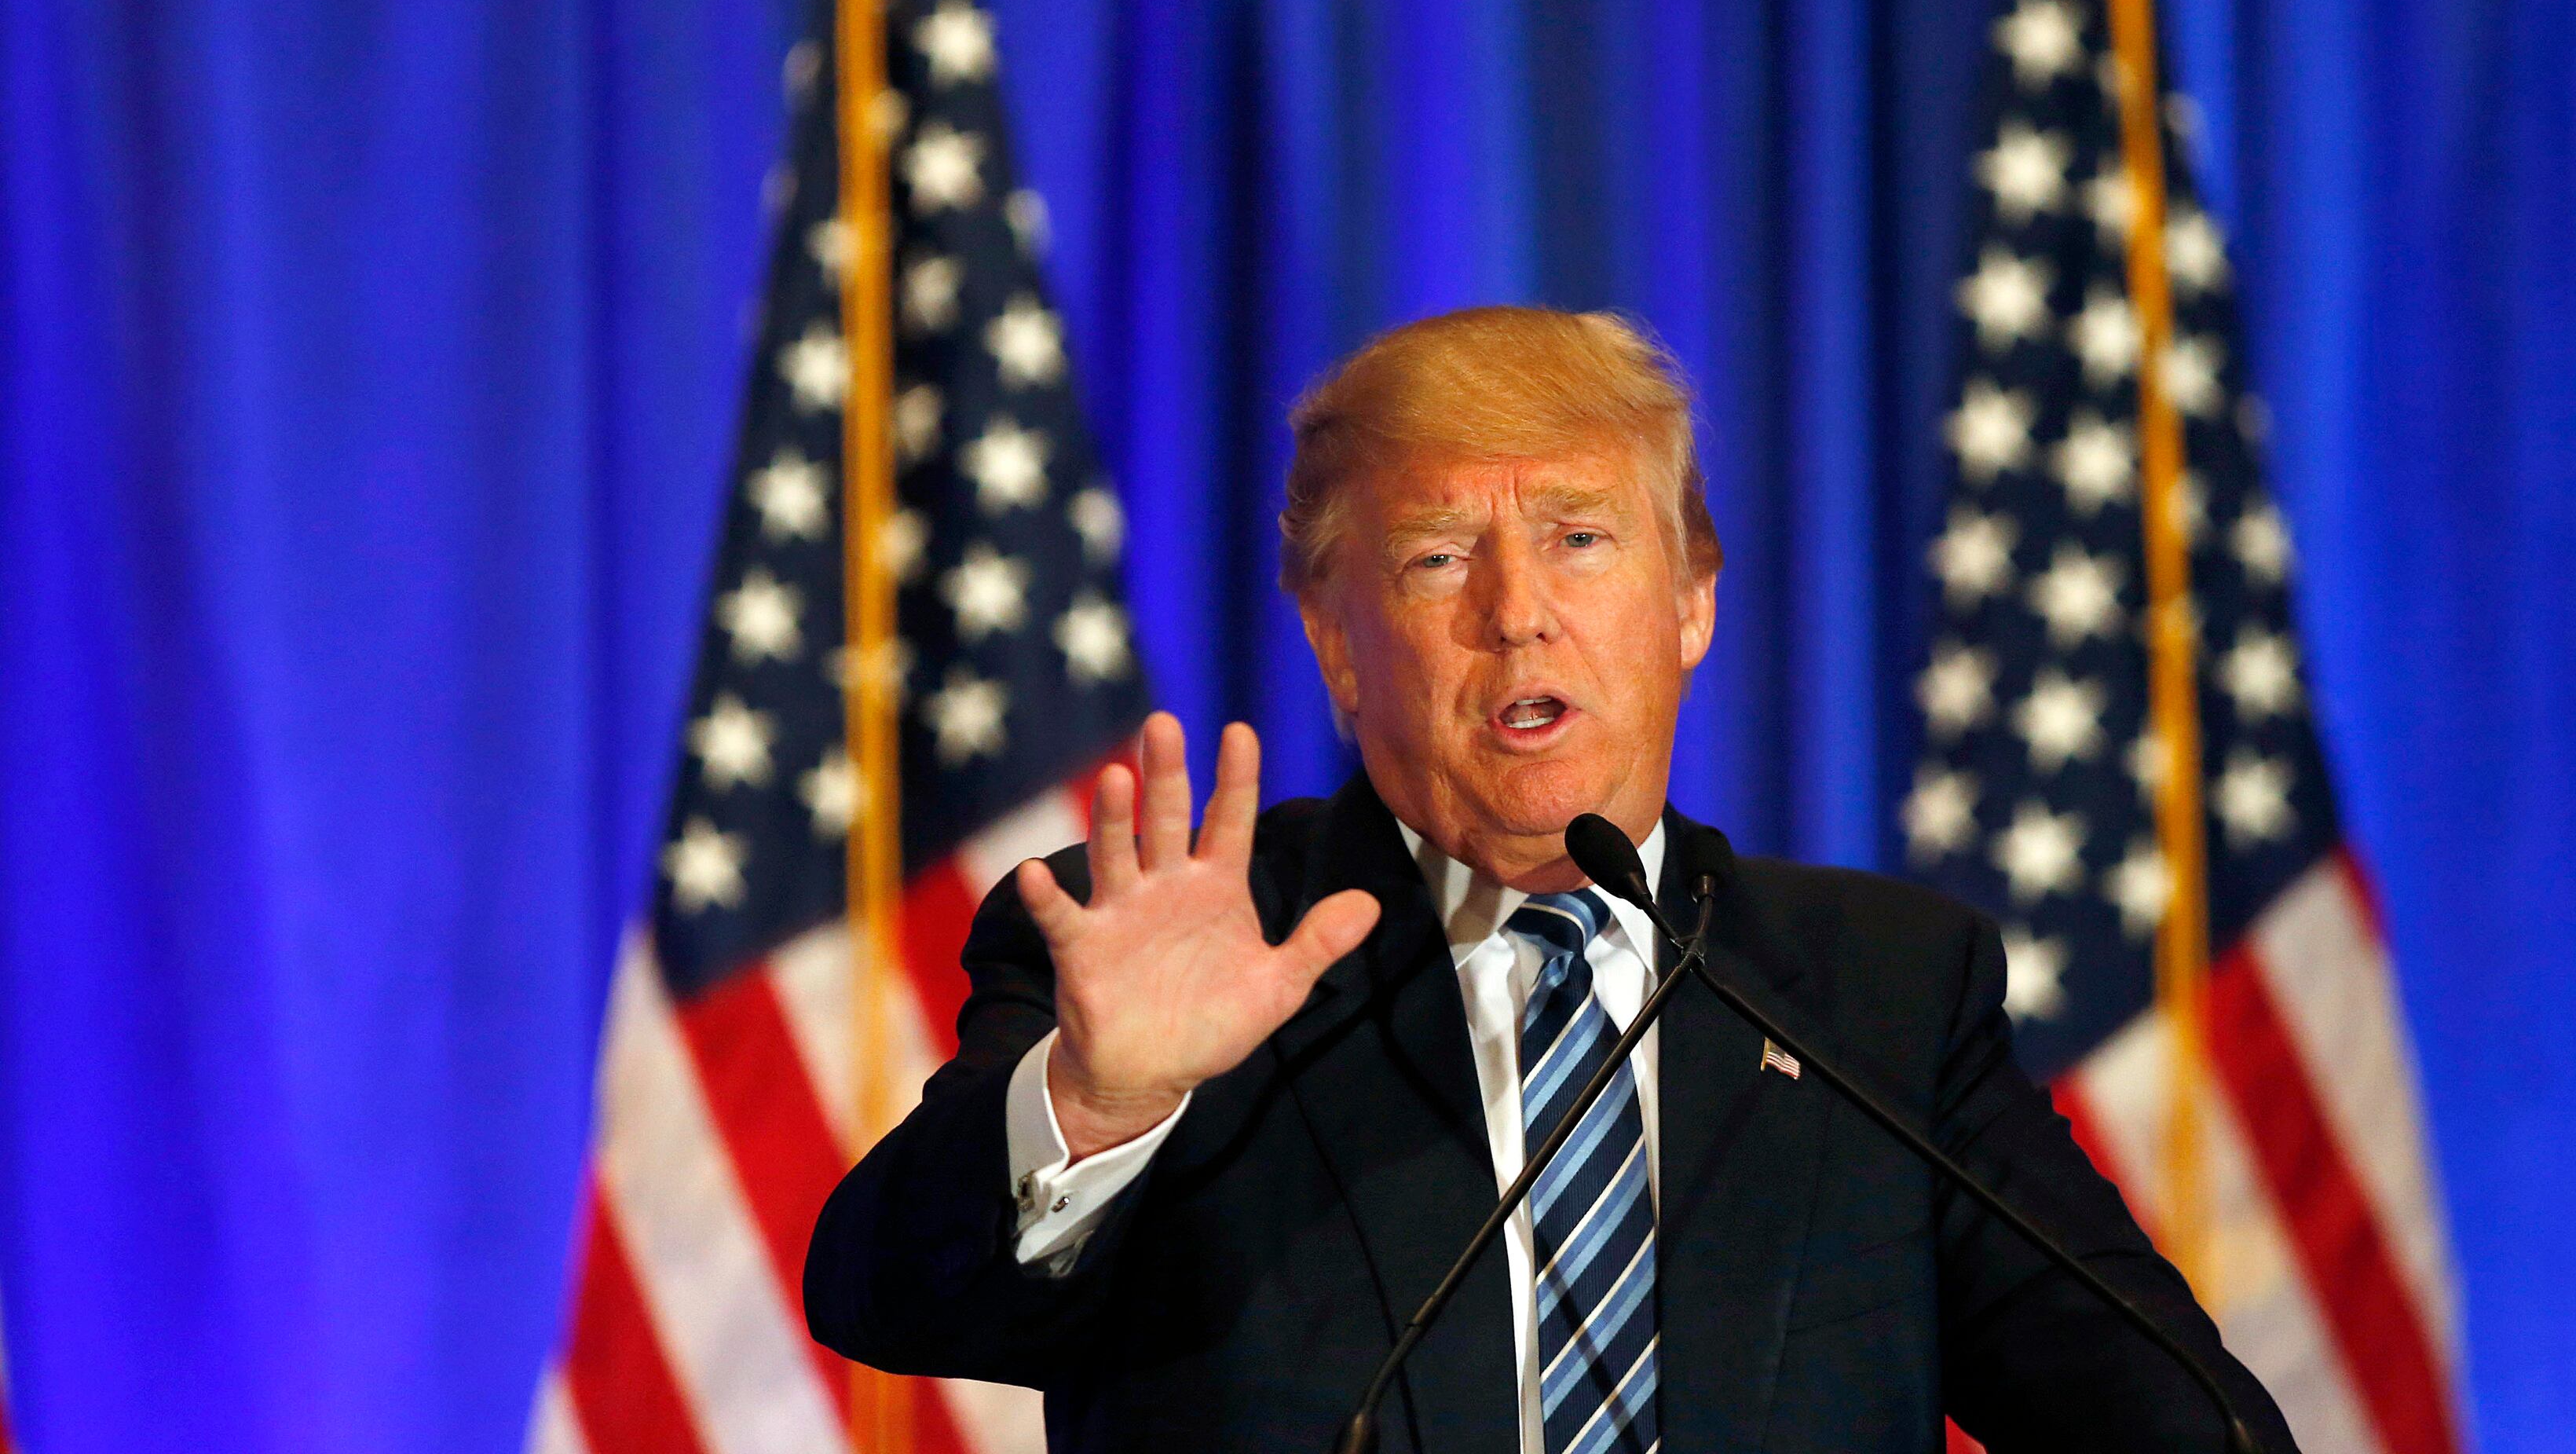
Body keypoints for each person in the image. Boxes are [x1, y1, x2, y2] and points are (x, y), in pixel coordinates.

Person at [806, 306, 2296, 1453]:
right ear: (1334, 640)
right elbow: (888, 1297)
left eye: (1580, 540)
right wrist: (1106, 1102)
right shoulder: (1177, 956)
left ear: (1692, 598)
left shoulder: (1877, 994)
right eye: (1438, 561)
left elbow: (2189, 1427)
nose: (1520, 618)